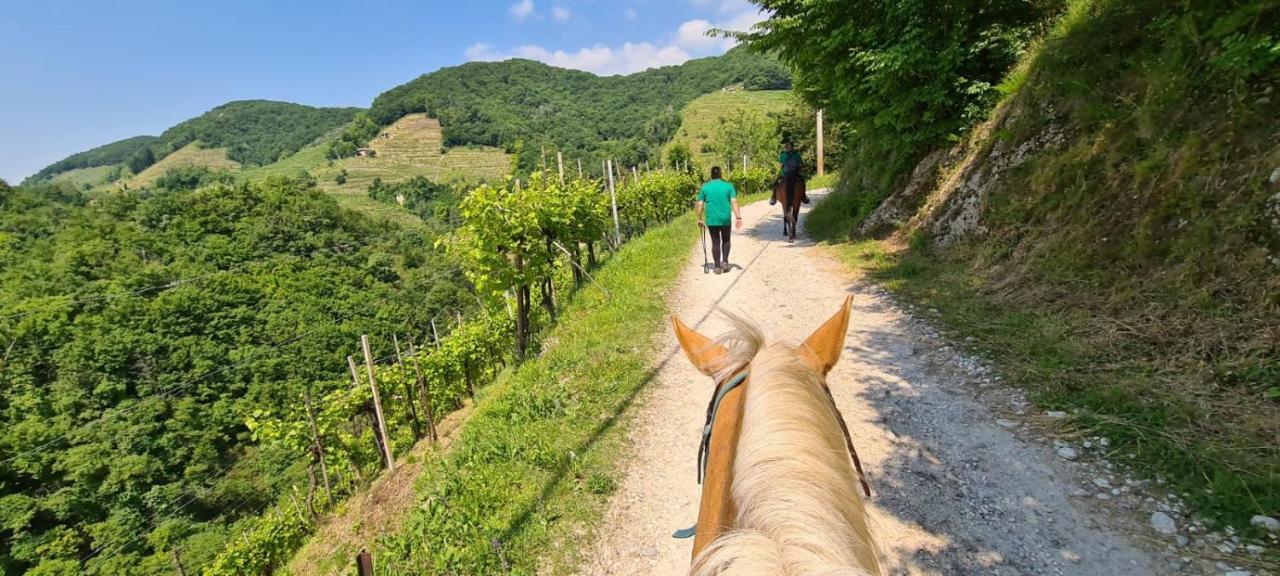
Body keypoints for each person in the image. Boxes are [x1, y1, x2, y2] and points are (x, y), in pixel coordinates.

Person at [696, 166, 742, 274]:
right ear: (721, 174)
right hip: (725, 218)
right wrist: (738, 217)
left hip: (712, 219)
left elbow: (700, 204)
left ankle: (717, 266)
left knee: (715, 242)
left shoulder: (705, 188)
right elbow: (734, 202)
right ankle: (725, 262)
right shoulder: (728, 186)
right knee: (726, 240)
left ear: (711, 175)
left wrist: (699, 218)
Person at [772, 141, 810, 206]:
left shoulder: (783, 154)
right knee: (802, 181)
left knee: (776, 182)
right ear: (793, 147)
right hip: (795, 174)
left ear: (786, 148)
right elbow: (800, 164)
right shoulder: (797, 154)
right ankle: (804, 196)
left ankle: (774, 197)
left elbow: (780, 165)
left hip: (785, 174)